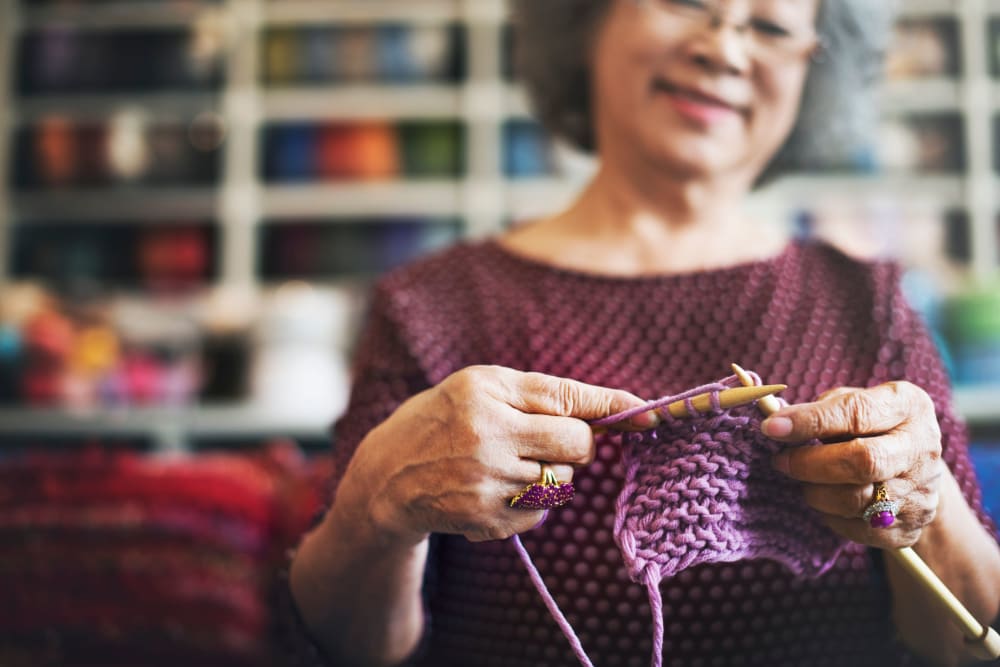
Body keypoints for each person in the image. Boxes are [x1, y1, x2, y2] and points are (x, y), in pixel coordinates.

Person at [283, 1, 1000, 665]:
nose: (722, 48)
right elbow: (349, 644)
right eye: (686, 0)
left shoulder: (866, 304)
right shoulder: (430, 306)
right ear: (588, 18)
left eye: (771, 27)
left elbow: (967, 642)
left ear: (818, 67)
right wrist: (379, 500)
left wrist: (919, 506)